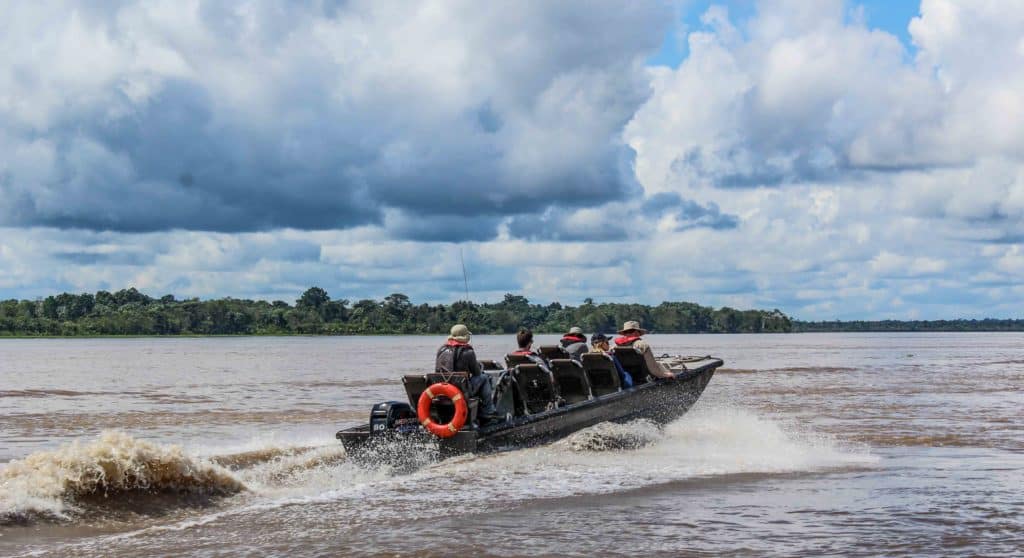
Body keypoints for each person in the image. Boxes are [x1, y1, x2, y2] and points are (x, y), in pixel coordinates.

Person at [435, 324, 500, 420]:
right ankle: (488, 410)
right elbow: (477, 373)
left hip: (443, 391)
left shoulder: (441, 350)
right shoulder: (468, 352)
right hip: (461, 391)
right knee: (484, 378)